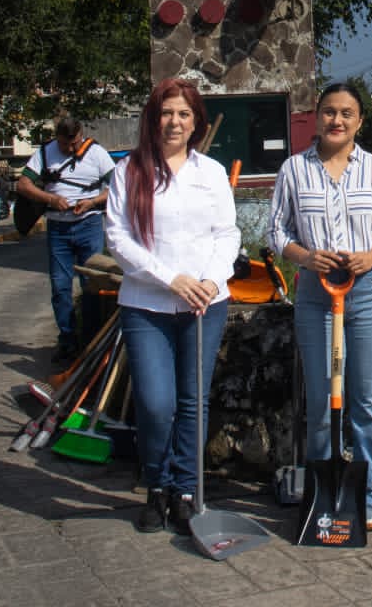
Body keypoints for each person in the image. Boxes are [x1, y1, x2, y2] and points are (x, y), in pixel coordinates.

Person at [268, 82, 372, 532]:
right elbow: (276, 232)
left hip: (369, 293)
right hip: (316, 295)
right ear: (316, 116)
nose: (337, 120)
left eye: (347, 113)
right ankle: (324, 494)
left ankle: (365, 499)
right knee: (322, 399)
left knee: (368, 401)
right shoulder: (294, 170)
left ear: (359, 121)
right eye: (329, 112)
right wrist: (306, 258)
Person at [105, 78, 241, 535]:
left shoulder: (212, 172)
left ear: (196, 120)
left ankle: (185, 489)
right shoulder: (128, 172)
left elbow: (228, 233)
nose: (175, 122)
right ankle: (156, 485)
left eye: (184, 114)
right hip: (147, 305)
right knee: (155, 401)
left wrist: (210, 279)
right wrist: (171, 279)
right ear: (152, 118)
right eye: (167, 113)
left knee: (193, 402)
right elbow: (117, 238)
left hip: (205, 303)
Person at [16, 115, 118, 362]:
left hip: (89, 224)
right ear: (57, 137)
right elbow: (23, 185)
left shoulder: (96, 153)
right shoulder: (45, 152)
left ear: (81, 134)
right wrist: (51, 199)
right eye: (65, 145)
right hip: (58, 228)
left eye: (74, 143)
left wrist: (92, 201)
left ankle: (90, 341)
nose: (71, 149)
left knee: (91, 284)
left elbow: (117, 186)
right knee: (60, 286)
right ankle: (67, 340)